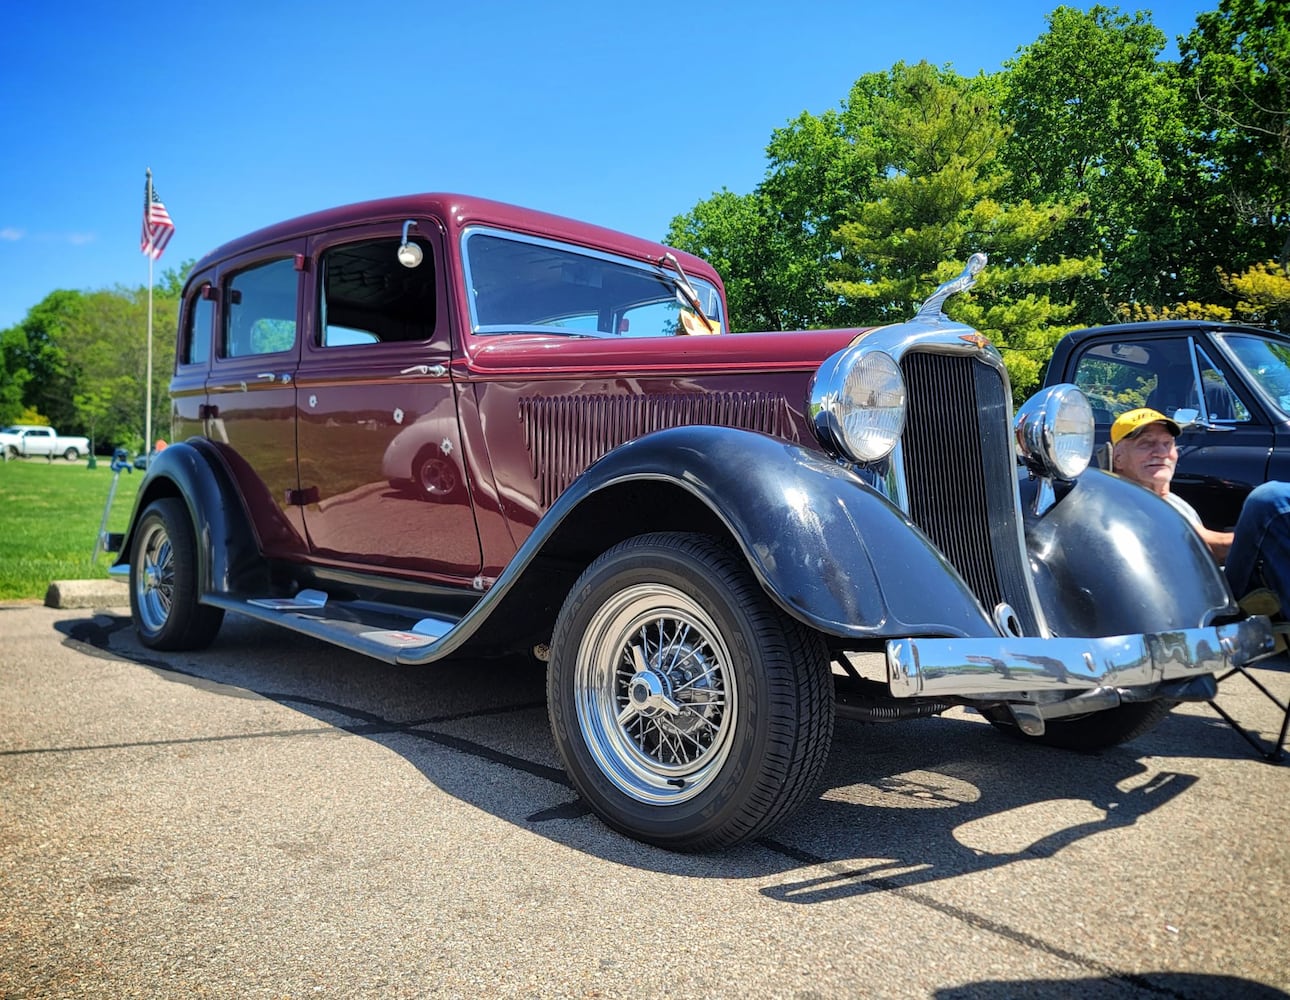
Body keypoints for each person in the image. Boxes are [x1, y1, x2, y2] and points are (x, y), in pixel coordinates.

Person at [1110, 407, 1290, 616]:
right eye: (1146, 444)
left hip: (1216, 590)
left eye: (1167, 444)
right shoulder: (1126, 503)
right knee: (1271, 502)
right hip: (1202, 607)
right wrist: (1262, 533)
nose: (1160, 452)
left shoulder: (1170, 500)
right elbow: (1206, 548)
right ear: (1118, 458)